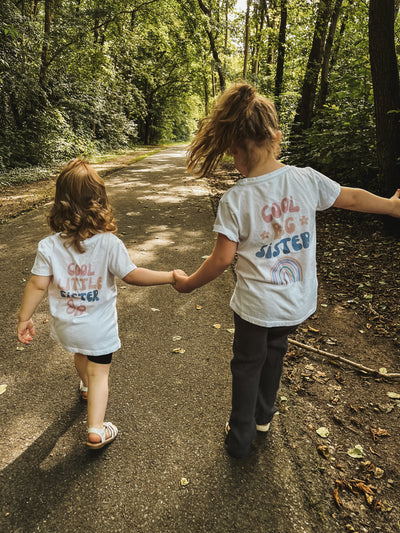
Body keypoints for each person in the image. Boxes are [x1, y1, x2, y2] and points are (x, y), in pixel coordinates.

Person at [172, 82, 400, 458]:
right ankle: (264, 415)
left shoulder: (237, 199)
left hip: (256, 307)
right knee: (275, 351)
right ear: (276, 138)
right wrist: (391, 207)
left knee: (247, 364)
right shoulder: (306, 179)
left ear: (235, 148)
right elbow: (353, 197)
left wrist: (189, 284)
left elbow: (221, 259)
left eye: (233, 153)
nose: (233, 161)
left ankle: (241, 436)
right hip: (295, 302)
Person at [17, 158, 180, 450]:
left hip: (68, 327)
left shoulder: (49, 246)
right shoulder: (108, 243)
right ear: (100, 202)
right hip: (99, 329)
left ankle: (85, 387)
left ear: (60, 203)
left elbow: (37, 284)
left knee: (81, 354)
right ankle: (95, 429)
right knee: (100, 371)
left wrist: (23, 317)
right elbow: (132, 275)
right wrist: (169, 276)